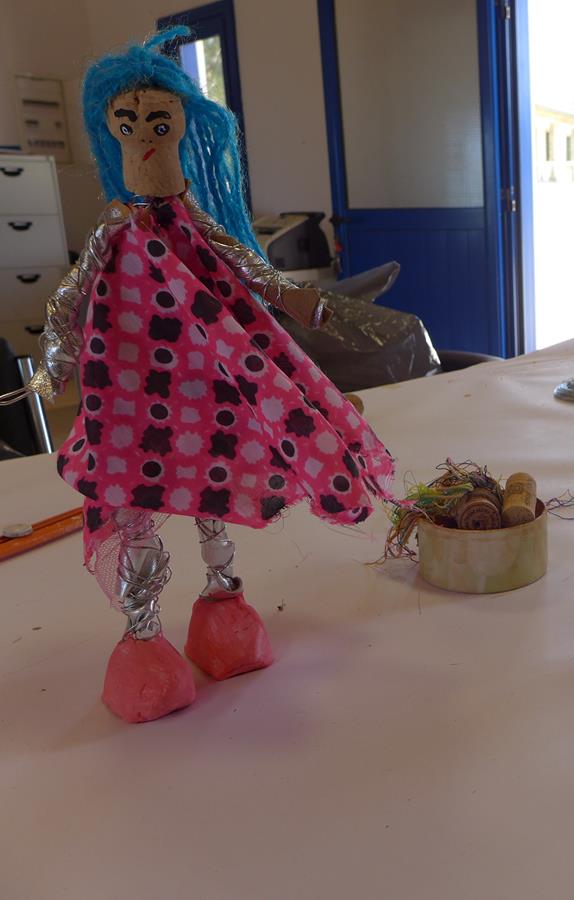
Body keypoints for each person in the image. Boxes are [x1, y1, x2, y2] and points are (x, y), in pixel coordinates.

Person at [0, 29, 396, 722]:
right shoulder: (114, 228)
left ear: (184, 125)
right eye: (128, 124)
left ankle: (223, 606)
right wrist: (53, 366)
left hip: (203, 386)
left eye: (159, 122)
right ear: (110, 130)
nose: (144, 137)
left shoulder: (194, 224)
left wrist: (299, 299)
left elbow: (250, 266)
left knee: (212, 483)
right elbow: (70, 295)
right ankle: (144, 637)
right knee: (136, 501)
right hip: (129, 391)